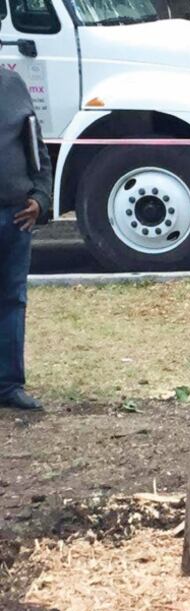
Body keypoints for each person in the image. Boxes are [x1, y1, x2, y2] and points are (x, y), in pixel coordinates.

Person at [0, 50, 51, 412]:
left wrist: (40, 197)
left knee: (13, 300)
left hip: (16, 216)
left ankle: (8, 386)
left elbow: (37, 146)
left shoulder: (12, 83)